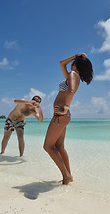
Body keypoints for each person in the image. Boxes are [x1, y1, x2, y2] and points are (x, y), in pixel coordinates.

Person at [43, 53, 93, 184]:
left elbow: (71, 91)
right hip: (64, 116)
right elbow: (61, 63)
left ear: (75, 65)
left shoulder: (72, 75)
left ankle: (66, 176)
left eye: (74, 62)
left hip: (60, 116)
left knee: (47, 146)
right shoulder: (74, 76)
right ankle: (69, 175)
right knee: (59, 146)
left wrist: (65, 107)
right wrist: (76, 56)